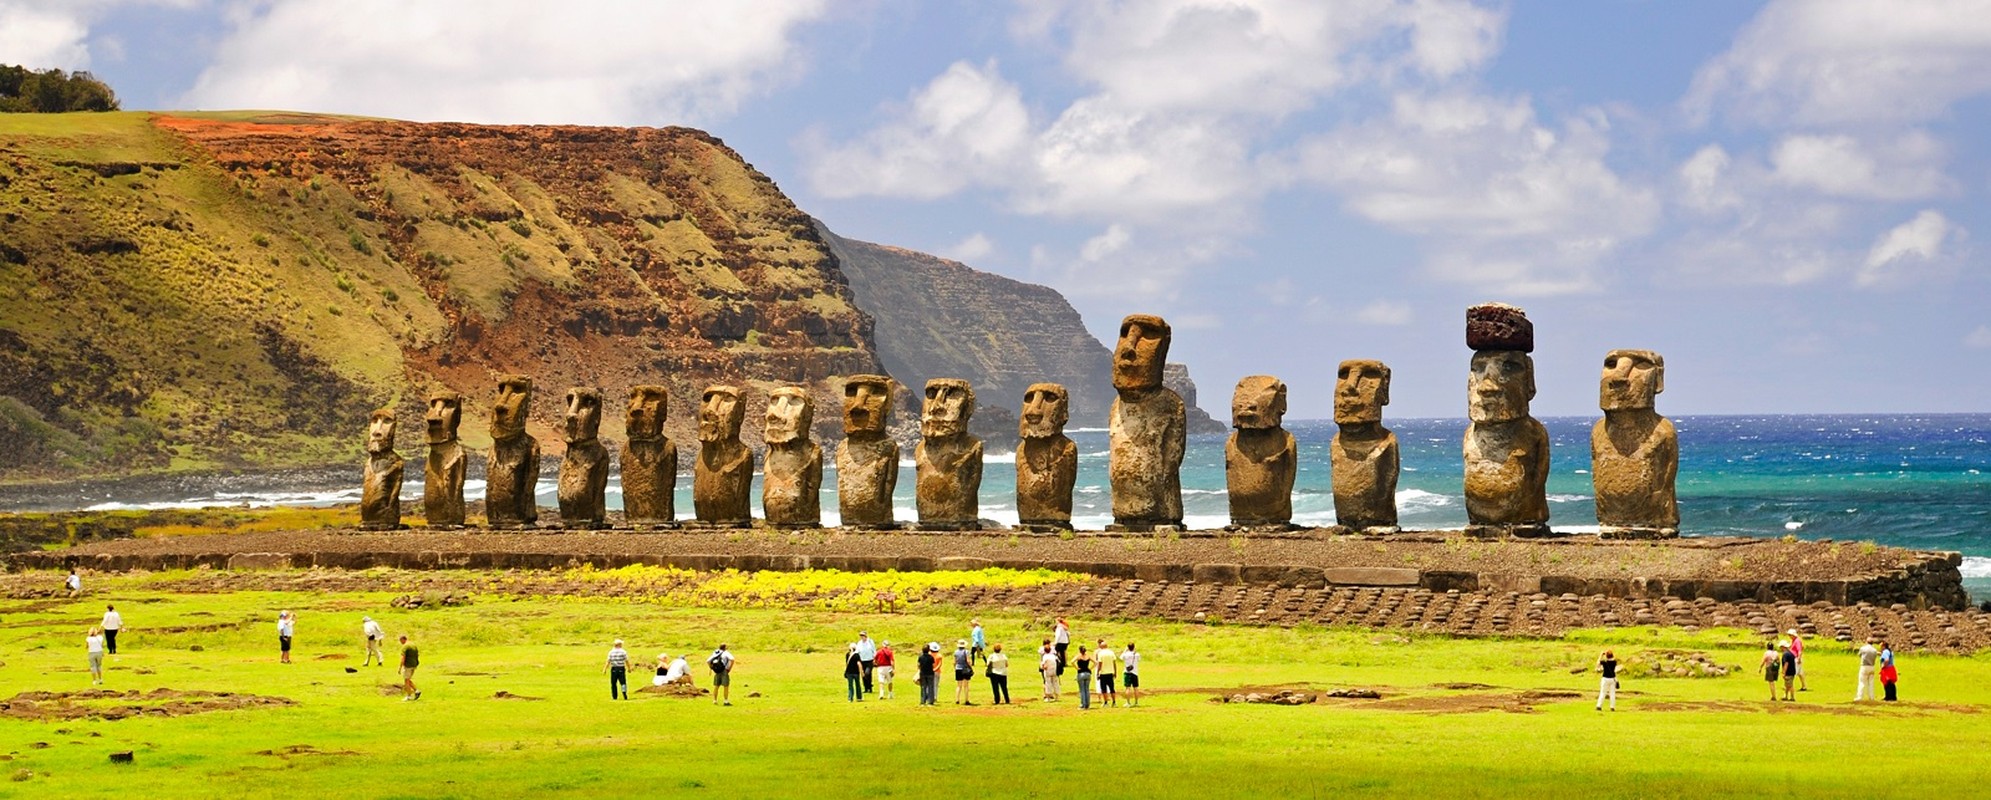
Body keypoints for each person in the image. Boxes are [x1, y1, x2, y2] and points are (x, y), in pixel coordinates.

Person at [1094, 639, 1118, 707]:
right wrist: (1115, 672)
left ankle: (1106, 702)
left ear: (1101, 647)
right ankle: (1114, 702)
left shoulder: (1100, 653)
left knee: (1103, 688)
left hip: (1103, 673)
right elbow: (1114, 663)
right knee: (1112, 688)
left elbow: (1100, 664)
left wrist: (1098, 672)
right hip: (1110, 672)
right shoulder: (1111, 652)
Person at [398, 634, 421, 701]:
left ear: (403, 639)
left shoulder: (405, 647)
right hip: (414, 664)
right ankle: (416, 691)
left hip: (408, 665)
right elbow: (417, 654)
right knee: (408, 679)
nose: (400, 642)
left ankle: (409, 695)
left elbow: (403, 657)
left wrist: (400, 667)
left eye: (400, 641)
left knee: (406, 681)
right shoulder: (413, 645)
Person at [953, 639, 974, 705]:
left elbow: (954, 662)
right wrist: (970, 667)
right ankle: (966, 700)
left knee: (959, 685)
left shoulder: (956, 652)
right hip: (965, 669)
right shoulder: (966, 652)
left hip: (958, 669)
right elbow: (968, 661)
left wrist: (955, 668)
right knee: (966, 685)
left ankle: (957, 699)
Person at [1075, 645, 1094, 709]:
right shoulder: (1088, 656)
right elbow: (1095, 662)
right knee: (1087, 689)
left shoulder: (1079, 656)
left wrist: (1077, 668)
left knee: (1082, 690)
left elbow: (1072, 661)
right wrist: (1090, 668)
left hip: (1081, 673)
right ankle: (1087, 704)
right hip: (1088, 673)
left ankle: (1083, 704)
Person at [1122, 642, 1141, 707]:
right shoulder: (1137, 654)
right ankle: (1136, 702)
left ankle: (1128, 702)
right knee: (1136, 688)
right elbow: (1139, 659)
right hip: (1135, 672)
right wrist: (1135, 651)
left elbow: (1121, 658)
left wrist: (1125, 650)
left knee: (1127, 688)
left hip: (1127, 672)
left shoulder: (1125, 654)